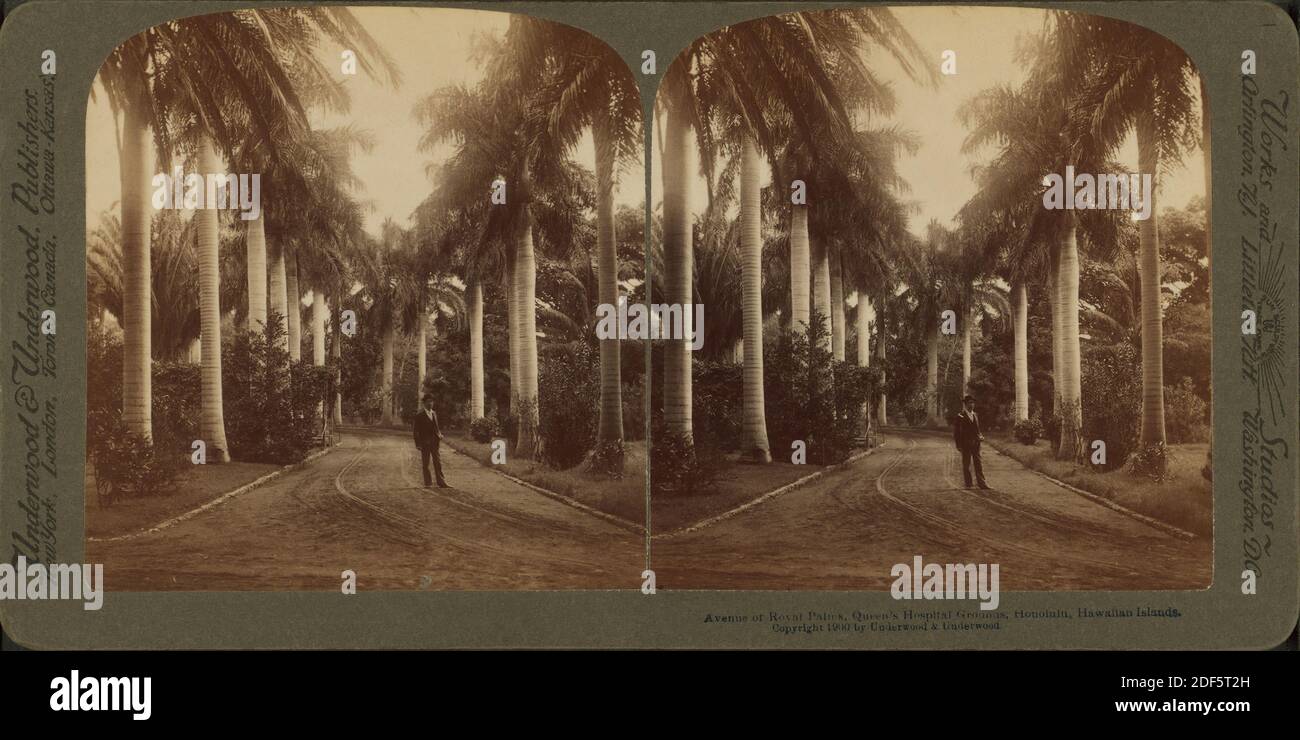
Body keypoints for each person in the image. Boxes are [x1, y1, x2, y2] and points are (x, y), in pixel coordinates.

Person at [953, 394, 989, 490]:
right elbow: (957, 432)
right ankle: (968, 484)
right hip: (966, 444)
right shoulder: (960, 416)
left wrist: (980, 436)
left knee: (978, 463)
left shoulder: (975, 415)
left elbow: (977, 429)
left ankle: (982, 484)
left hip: (976, 443)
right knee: (967, 464)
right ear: (965, 404)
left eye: (973, 403)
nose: (972, 405)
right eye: (969, 403)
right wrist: (958, 445)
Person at [413, 394, 447, 488]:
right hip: (425, 443)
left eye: (432, 401)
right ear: (424, 403)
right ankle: (428, 483)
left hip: (435, 442)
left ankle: (441, 482)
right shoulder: (419, 415)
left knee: (438, 462)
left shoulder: (434, 413)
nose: (431, 403)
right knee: (426, 463)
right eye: (428, 401)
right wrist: (418, 444)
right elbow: (416, 431)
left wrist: (439, 434)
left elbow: (436, 427)